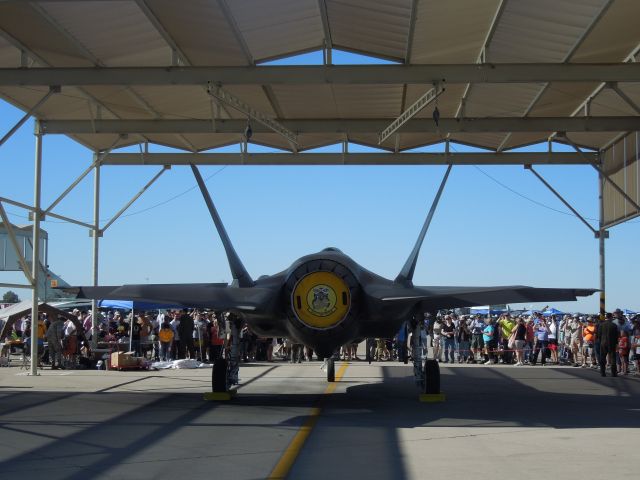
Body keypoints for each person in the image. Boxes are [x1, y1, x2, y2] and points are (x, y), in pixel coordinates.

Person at [599, 312, 619, 377]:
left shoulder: (601, 325)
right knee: (613, 358)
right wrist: (616, 343)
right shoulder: (614, 325)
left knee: (602, 358)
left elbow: (599, 334)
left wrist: (600, 341)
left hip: (603, 343)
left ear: (606, 317)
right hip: (612, 343)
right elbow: (616, 336)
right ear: (611, 317)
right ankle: (613, 373)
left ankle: (602, 372)